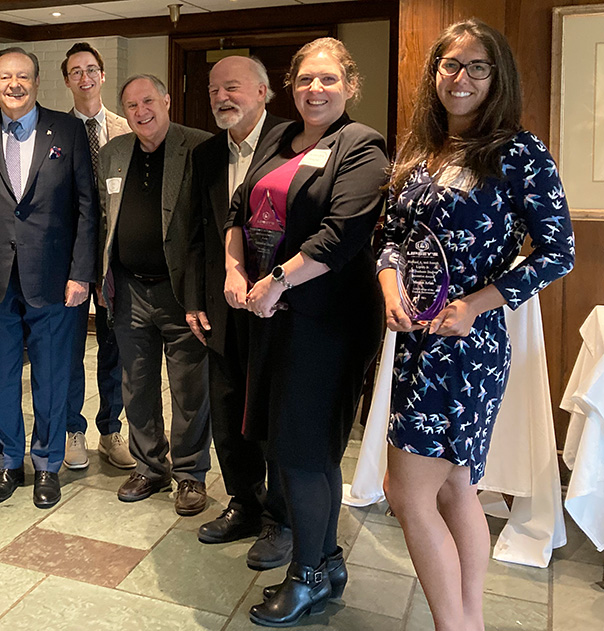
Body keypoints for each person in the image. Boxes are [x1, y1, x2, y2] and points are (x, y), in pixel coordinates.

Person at [378, 20, 574, 631]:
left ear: (497, 78)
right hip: (412, 340)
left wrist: (480, 302)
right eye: (450, 66)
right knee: (455, 487)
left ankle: (454, 624)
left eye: (477, 68)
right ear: (434, 74)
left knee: (406, 493)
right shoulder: (417, 152)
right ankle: (468, 623)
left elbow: (557, 250)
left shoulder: (519, 152)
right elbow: (390, 238)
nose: (461, 79)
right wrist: (389, 289)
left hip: (465, 347)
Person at [228, 38, 387, 626]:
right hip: (272, 313)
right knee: (286, 444)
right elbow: (239, 209)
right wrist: (234, 268)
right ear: (289, 85)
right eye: (304, 80)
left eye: (327, 80)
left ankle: (308, 576)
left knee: (304, 449)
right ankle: (328, 559)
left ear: (349, 84)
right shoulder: (277, 138)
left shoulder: (362, 145)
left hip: (327, 320)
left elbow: (341, 235)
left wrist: (273, 281)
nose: (314, 90)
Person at [0, 47, 97, 509]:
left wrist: (82, 273)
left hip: (56, 279)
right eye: (4, 77)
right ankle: (7, 463)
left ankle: (47, 465)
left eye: (22, 76)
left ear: (37, 82)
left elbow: (86, 207)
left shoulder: (68, 129)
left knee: (53, 376)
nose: (13, 84)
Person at [187, 55, 293, 570]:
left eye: (232, 88)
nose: (221, 98)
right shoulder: (205, 154)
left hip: (281, 304)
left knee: (274, 415)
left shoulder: (294, 142)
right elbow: (193, 234)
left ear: (262, 91)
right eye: (213, 91)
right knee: (227, 415)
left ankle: (281, 519)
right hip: (221, 307)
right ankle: (244, 504)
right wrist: (192, 300)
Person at [96, 75, 212, 515]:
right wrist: (100, 277)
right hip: (127, 289)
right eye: (131, 105)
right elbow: (103, 221)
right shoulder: (113, 154)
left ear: (166, 100)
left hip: (180, 294)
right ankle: (149, 465)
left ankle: (190, 475)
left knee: (189, 388)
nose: (141, 110)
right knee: (137, 384)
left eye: (148, 101)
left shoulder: (199, 147)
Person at [61, 42, 134, 471]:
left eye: (92, 69)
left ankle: (110, 429)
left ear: (102, 75)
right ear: (67, 79)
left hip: (115, 259)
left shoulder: (127, 129)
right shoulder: (55, 132)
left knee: (114, 348)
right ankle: (73, 429)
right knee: (69, 349)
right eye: (76, 71)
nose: (85, 78)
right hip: (70, 259)